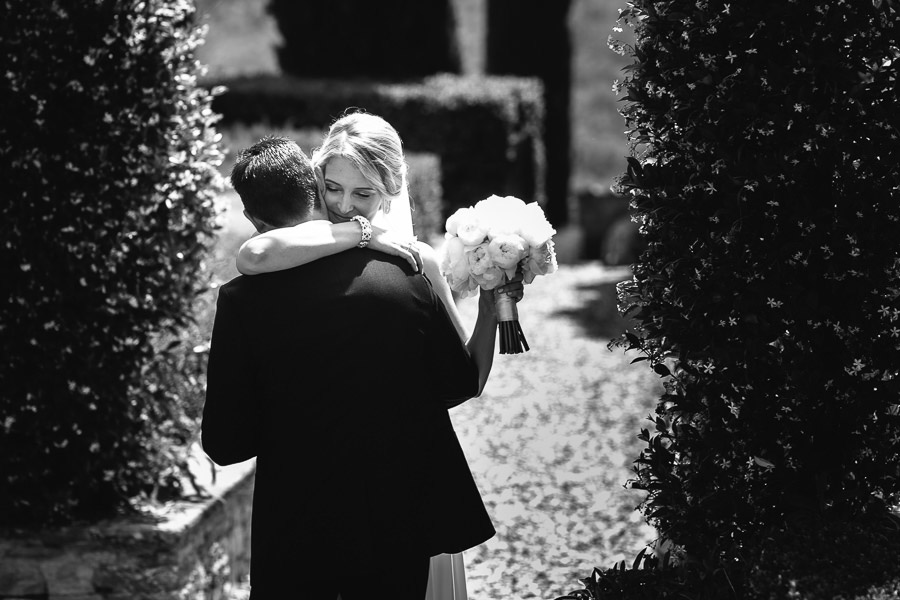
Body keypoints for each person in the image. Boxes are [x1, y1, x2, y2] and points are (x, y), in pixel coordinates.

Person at [201, 134, 518, 600]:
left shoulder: (240, 302)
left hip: (295, 536)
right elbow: (458, 383)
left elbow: (226, 445)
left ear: (251, 217)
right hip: (395, 529)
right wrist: (491, 306)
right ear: (315, 190)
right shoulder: (406, 277)